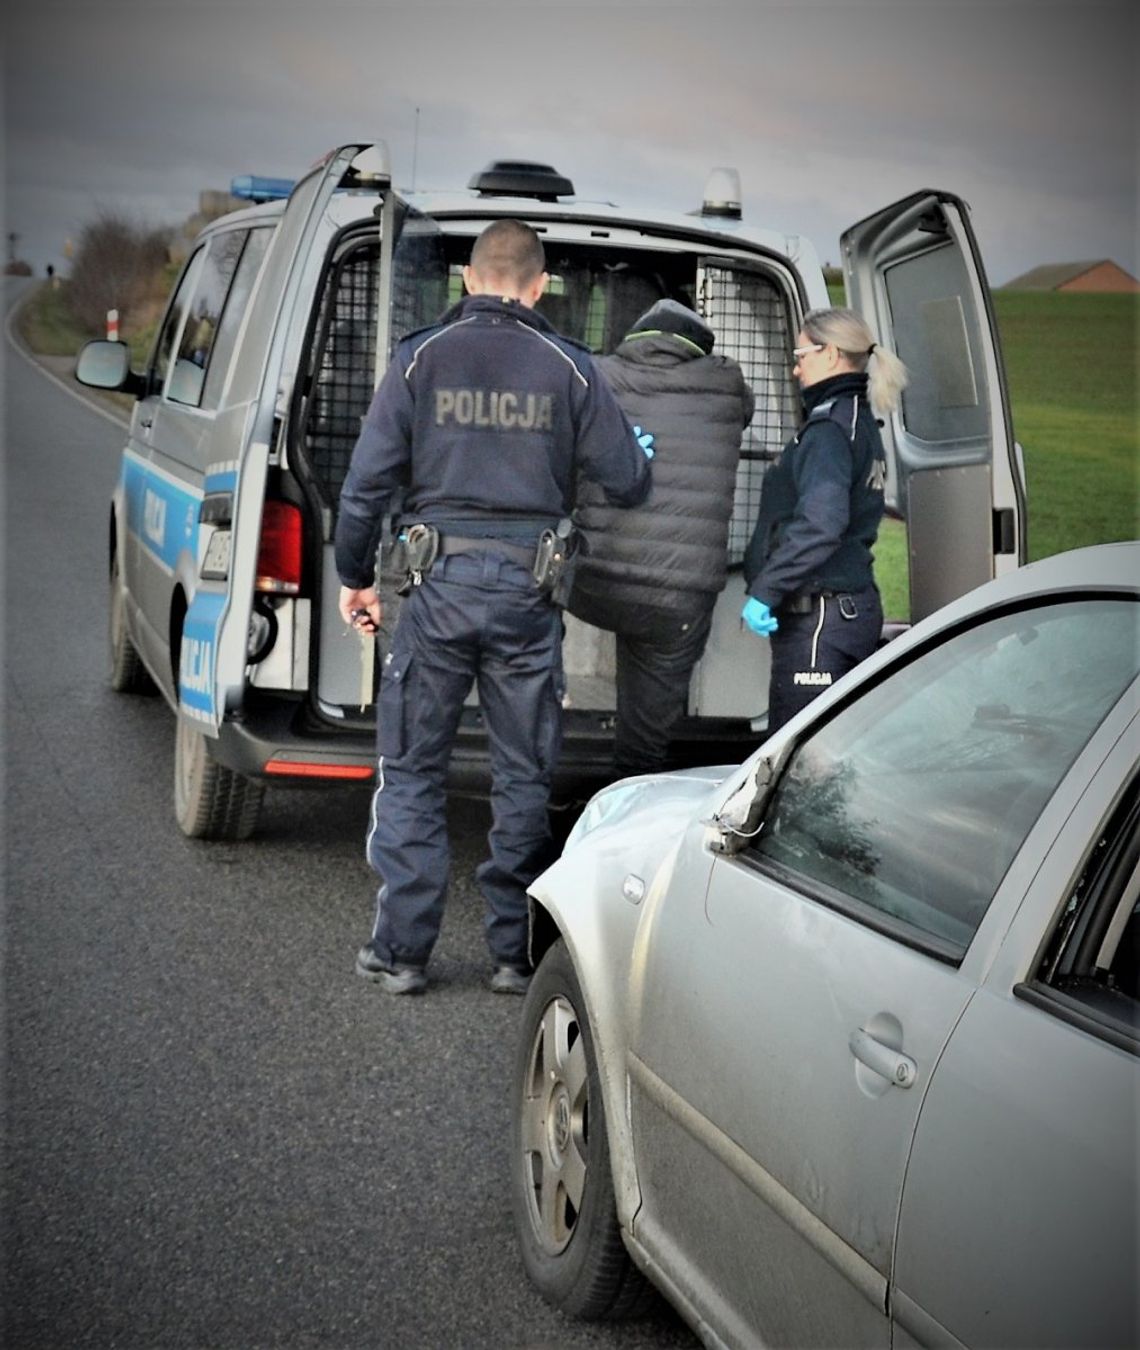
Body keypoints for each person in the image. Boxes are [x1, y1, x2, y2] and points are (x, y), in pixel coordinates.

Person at [335, 219, 652, 997]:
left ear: (468, 281)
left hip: (435, 593)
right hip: (527, 597)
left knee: (411, 769)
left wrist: (356, 576)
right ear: (538, 286)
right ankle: (514, 956)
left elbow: (366, 483)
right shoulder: (572, 370)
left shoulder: (416, 359)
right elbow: (629, 481)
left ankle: (403, 953)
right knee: (522, 774)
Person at [566, 298, 754, 778]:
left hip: (594, 579)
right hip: (678, 597)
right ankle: (629, 799)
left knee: (536, 619)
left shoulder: (596, 375)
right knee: (645, 736)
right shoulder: (729, 386)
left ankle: (542, 762)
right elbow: (747, 409)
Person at [742, 307, 908, 733]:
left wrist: (766, 589)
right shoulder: (859, 423)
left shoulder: (829, 432)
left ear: (831, 354)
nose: (796, 370)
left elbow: (821, 522)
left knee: (801, 753)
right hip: (846, 610)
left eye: (801, 356)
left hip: (819, 619)